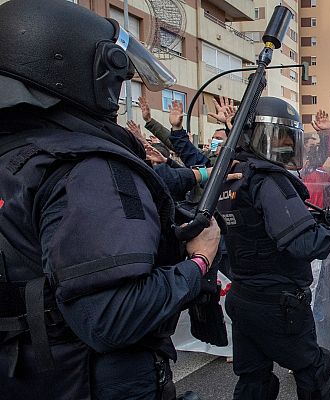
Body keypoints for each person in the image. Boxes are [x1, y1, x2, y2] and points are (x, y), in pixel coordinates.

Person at [0, 1, 222, 398]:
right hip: (93, 380)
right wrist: (198, 261)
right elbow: (111, 318)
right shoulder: (87, 169)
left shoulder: (18, 160)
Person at [219, 96, 330, 400]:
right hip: (277, 302)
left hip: (244, 296)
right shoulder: (269, 180)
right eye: (280, 135)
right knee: (314, 369)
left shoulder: (231, 175)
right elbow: (303, 243)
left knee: (253, 379)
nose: (285, 143)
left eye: (288, 136)